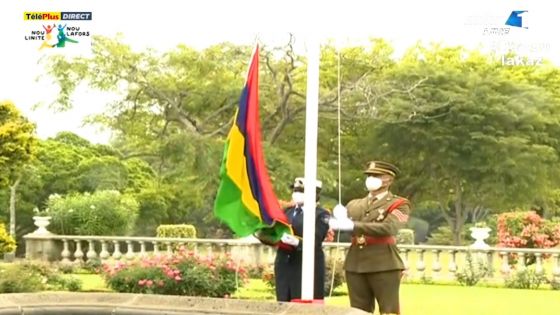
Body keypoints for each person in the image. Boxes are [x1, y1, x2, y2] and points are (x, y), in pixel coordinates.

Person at [329, 161, 411, 314]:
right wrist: (337, 220)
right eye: (369, 175)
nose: (371, 178)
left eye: (377, 175)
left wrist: (353, 225)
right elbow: (347, 229)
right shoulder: (354, 204)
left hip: (384, 263)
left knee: (389, 310)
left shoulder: (399, 204)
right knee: (357, 311)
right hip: (356, 262)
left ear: (389, 180)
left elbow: (389, 228)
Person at [274, 177, 331, 302]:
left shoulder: (321, 214)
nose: (296, 194)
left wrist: (296, 242)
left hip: (306, 266)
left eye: (301, 191)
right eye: (295, 190)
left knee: (304, 305)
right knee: (283, 302)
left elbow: (316, 239)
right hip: (284, 264)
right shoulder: (287, 211)